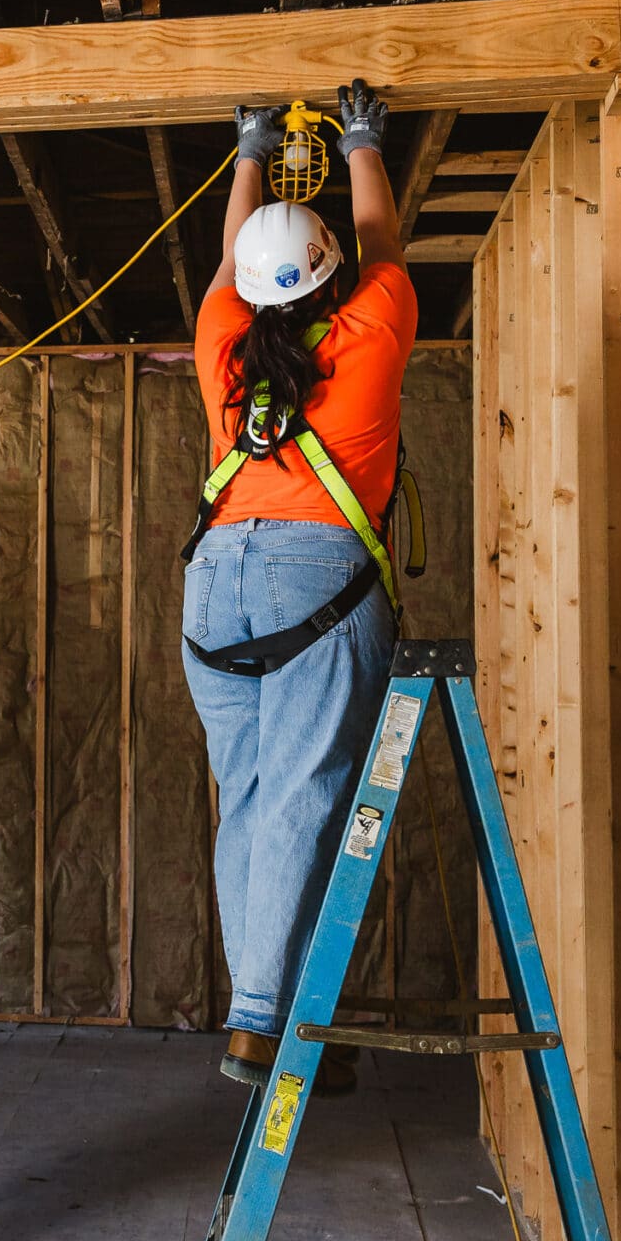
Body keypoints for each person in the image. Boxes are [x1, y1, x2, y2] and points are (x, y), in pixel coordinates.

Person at [182, 79, 416, 1086]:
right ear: (327, 279)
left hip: (214, 586)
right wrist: (362, 141)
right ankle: (259, 1015)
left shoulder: (222, 346)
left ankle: (258, 1005)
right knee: (303, 797)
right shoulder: (366, 339)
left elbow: (236, 266)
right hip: (311, 580)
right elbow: (382, 248)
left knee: (249, 797)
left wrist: (246, 152)